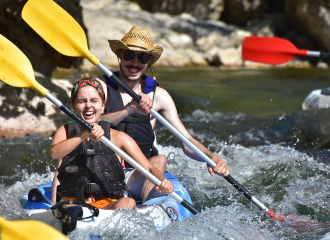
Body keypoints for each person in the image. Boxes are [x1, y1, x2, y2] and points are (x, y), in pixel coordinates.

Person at [97, 26, 230, 203]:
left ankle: (146, 207)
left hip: (139, 173)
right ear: (120, 54)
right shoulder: (101, 87)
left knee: (159, 159)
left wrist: (211, 158)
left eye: (142, 57)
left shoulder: (159, 96)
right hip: (103, 168)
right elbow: (87, 124)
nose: (134, 63)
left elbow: (187, 142)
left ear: (149, 61)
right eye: (129, 55)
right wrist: (129, 109)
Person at [50, 75, 174, 210]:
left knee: (128, 203)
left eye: (94, 101)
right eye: (81, 101)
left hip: (107, 204)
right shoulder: (65, 132)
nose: (88, 106)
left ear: (103, 107)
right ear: (74, 107)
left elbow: (149, 168)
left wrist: (162, 180)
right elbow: (55, 153)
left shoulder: (118, 137)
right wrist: (83, 134)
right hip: (73, 202)